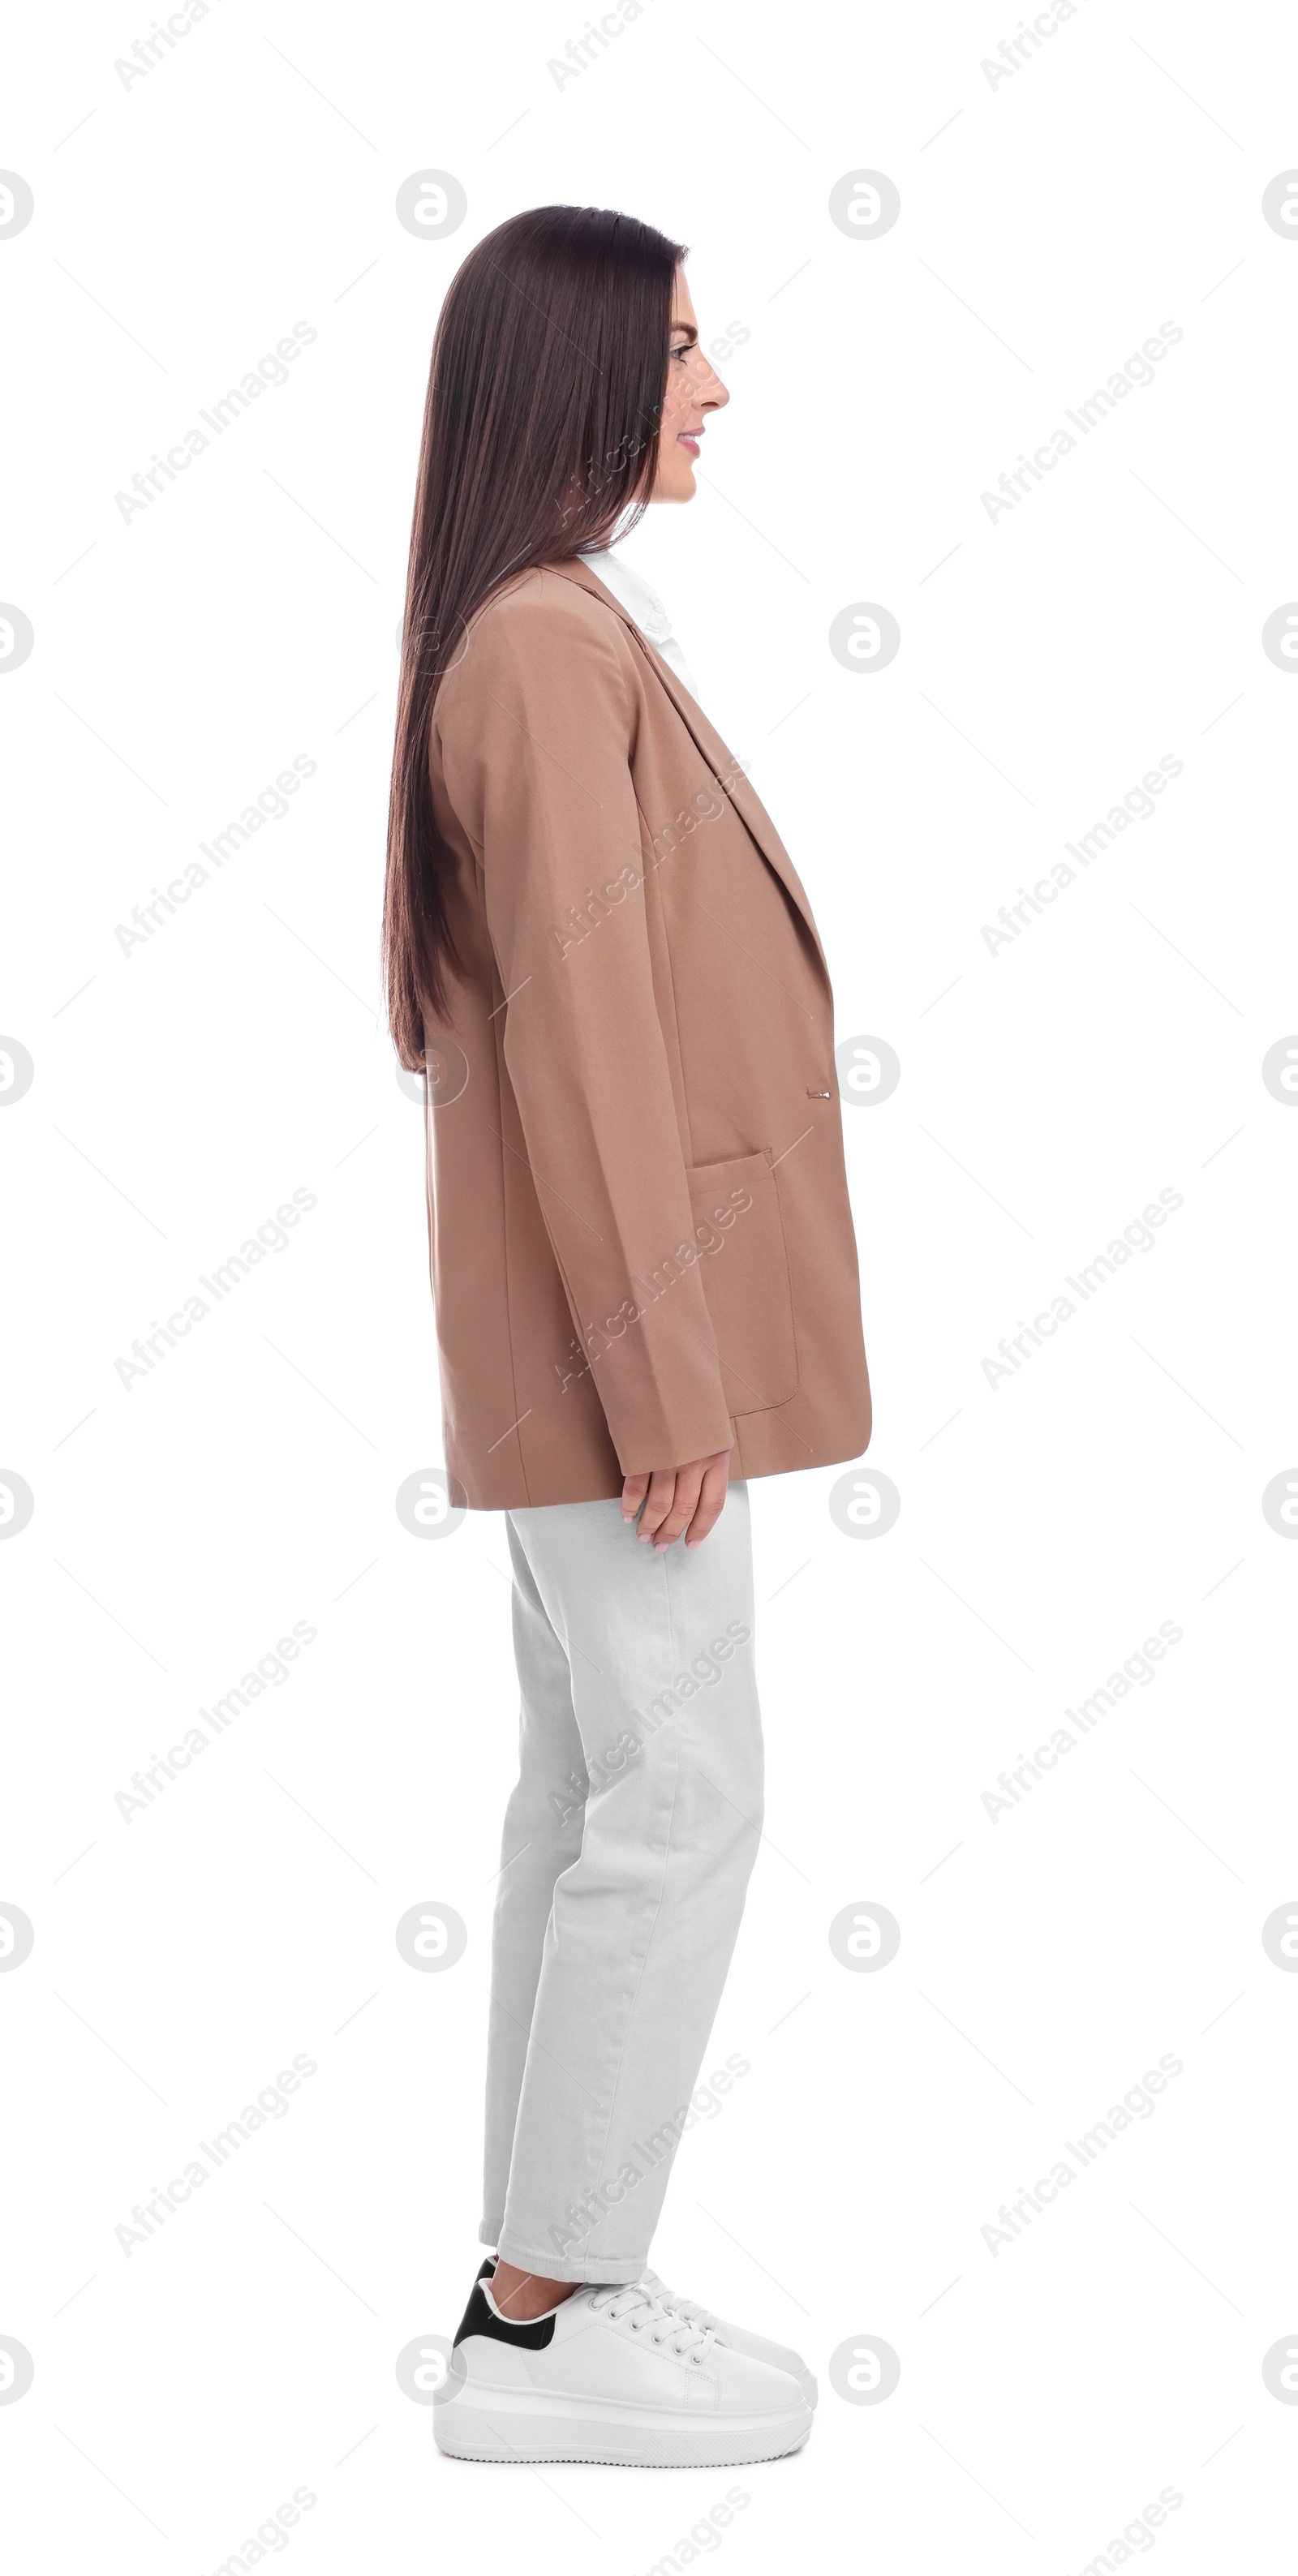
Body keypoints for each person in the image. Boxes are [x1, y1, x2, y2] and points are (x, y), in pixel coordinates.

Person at [384, 204, 870, 2468]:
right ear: (576, 367)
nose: (714, 384)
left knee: (597, 1798)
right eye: (679, 345)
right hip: (619, 1369)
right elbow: (586, 1048)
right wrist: (674, 1386)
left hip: (589, 1356)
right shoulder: (545, 655)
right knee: (684, 1799)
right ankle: (561, 2311)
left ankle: (529, 2307)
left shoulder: (530, 635)